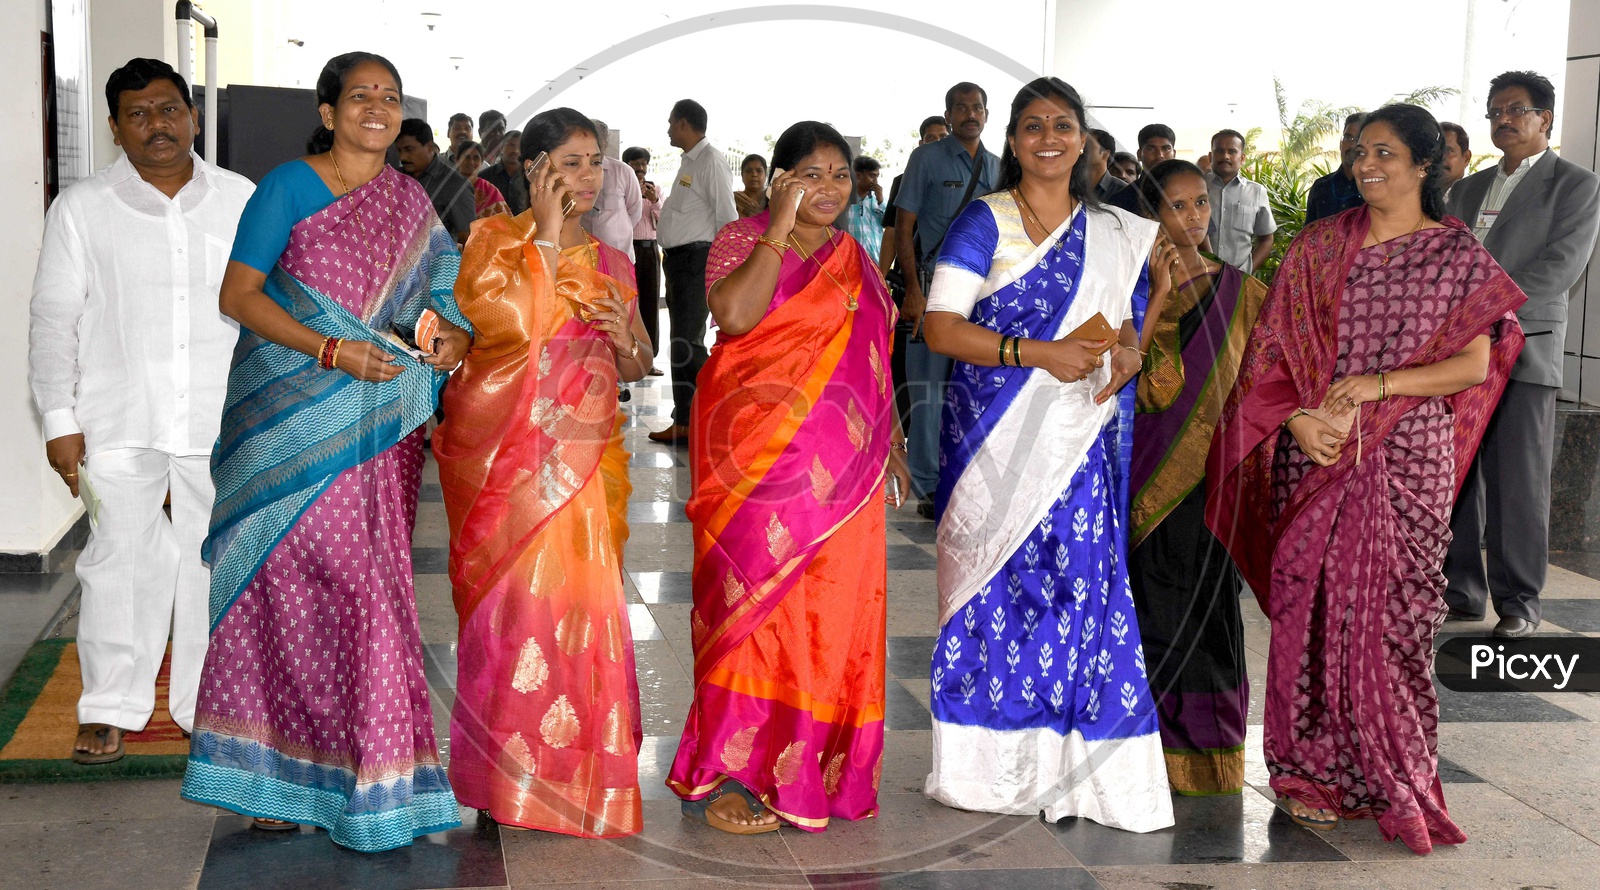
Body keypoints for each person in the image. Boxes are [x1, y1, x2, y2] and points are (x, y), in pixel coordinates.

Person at [1206, 104, 1526, 853]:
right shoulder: (1319, 248)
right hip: (1316, 455)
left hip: (1408, 451)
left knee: (1394, 621)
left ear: (1426, 165)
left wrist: (1377, 385)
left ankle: (1396, 775)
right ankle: (1305, 775)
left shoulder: (1456, 258)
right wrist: (1298, 423)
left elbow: (1476, 365)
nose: (1366, 164)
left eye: (1384, 152)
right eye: (1359, 152)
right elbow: (1270, 361)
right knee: (1306, 611)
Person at [179, 51, 473, 850]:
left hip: (378, 436)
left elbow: (444, 293)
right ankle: (276, 775)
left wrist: (448, 337)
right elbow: (237, 296)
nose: (376, 108)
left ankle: (370, 780)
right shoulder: (286, 186)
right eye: (359, 96)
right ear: (327, 110)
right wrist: (329, 351)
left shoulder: (411, 200)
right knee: (284, 589)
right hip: (285, 425)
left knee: (369, 595)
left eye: (390, 96)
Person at [921, 76, 1175, 833]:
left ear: (1085, 140)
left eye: (1062, 124)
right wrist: (1037, 352)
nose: (1048, 137)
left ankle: (1076, 764)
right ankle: (988, 770)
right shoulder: (983, 223)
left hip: (1081, 436)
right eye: (1032, 125)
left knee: (1079, 586)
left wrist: (1126, 353)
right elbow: (939, 326)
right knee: (996, 588)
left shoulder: (1116, 230)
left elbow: (1127, 328)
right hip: (995, 442)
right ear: (1013, 141)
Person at [668, 120, 910, 835]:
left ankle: (813, 766)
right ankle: (732, 774)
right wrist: (777, 222)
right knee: (751, 613)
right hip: (754, 467)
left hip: (844, 481)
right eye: (811, 173)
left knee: (830, 620)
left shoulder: (857, 256)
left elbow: (875, 352)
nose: (828, 188)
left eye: (840, 175)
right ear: (780, 179)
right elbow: (736, 315)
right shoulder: (742, 240)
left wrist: (890, 436)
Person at [28, 58, 254, 765]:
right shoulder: (82, 209)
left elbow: (267, 308)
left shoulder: (239, 198)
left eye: (168, 109)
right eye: (138, 113)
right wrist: (59, 419)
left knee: (209, 561)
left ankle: (202, 705)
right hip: (116, 415)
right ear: (115, 127)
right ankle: (108, 706)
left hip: (221, 417)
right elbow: (52, 319)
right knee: (119, 560)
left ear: (192, 115)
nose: (156, 124)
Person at [437, 107, 654, 838]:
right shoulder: (492, 240)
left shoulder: (615, 261)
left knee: (581, 609)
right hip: (505, 455)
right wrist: (551, 244)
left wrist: (626, 338)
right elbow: (505, 329)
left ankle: (580, 774)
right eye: (569, 162)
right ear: (533, 170)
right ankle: (503, 776)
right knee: (511, 611)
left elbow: (638, 364)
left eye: (596, 161)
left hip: (584, 458)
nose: (587, 176)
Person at [1127, 160, 1267, 795]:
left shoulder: (1242, 292)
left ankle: (1211, 757)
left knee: (1211, 610)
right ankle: (1143, 746)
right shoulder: (1128, 286)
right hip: (1145, 479)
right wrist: (1156, 294)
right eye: (1176, 206)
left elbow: (1266, 383)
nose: (1193, 218)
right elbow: (1150, 388)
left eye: (1200, 204)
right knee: (1153, 600)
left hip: (1217, 478)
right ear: (1150, 215)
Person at [1443, 71, 1600, 639]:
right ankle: (1461, 591)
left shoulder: (1575, 185)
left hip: (1523, 350)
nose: (1502, 120)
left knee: (1518, 482)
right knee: (1455, 475)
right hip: (1458, 357)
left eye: (1515, 109)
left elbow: (1559, 267)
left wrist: (1481, 310)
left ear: (1545, 119)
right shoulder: (1464, 190)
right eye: (1493, 111)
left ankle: (1520, 602)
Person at [894, 82, 1001, 518]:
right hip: (934, 290)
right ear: (949, 113)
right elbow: (904, 228)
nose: (969, 114)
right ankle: (928, 486)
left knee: (974, 390)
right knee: (927, 390)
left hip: (984, 295)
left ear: (987, 114)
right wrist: (914, 293)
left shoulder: (998, 166)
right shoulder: (927, 158)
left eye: (977, 107)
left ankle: (967, 479)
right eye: (961, 108)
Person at [649, 99, 737, 444]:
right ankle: (685, 421)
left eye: (671, 122)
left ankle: (715, 417)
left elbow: (726, 217)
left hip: (698, 261)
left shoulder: (711, 161)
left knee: (689, 343)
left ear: (685, 123)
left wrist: (722, 269)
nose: (668, 129)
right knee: (681, 343)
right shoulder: (690, 162)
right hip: (678, 262)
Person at [883, 115, 950, 433]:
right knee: (912, 364)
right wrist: (882, 277)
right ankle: (907, 432)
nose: (936, 142)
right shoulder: (904, 179)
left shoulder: (974, 173)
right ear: (921, 142)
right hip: (914, 281)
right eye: (930, 138)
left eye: (942, 137)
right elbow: (893, 232)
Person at [1205, 129, 1275, 273]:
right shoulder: (1196, 188)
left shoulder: (1256, 192)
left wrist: (1245, 273)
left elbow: (1266, 239)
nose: (1225, 156)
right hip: (1198, 277)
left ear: (1242, 158)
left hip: (1238, 279)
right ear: (1210, 156)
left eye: (1232, 151)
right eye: (1219, 151)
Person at [395, 117, 475, 243]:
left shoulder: (455, 185)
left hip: (436, 260)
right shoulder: (395, 178)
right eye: (399, 151)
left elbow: (469, 238)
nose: (403, 157)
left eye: (409, 150)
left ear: (429, 147)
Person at [580, 119, 644, 261]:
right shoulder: (577, 171)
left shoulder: (623, 171)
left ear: (605, 143)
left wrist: (616, 231)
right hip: (585, 253)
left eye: (597, 139)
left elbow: (634, 212)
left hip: (618, 253)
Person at [626, 146, 665, 374]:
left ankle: (650, 360)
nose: (640, 168)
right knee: (631, 303)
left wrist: (655, 201)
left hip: (650, 251)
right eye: (635, 163)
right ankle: (628, 356)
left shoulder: (656, 190)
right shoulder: (624, 190)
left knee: (650, 303)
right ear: (627, 166)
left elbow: (663, 221)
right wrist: (635, 197)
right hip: (628, 250)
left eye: (643, 164)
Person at [1305, 113, 1366, 223]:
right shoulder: (1321, 187)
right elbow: (1308, 233)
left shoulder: (1375, 188)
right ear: (1340, 144)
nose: (1353, 145)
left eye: (1359, 139)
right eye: (1348, 138)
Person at [1105, 123, 1175, 213]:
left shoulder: (1188, 189)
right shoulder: (1122, 199)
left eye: (1166, 149)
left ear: (1174, 153)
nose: (1159, 155)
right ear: (1139, 154)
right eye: (1151, 149)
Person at [452, 140, 510, 219]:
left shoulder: (491, 191)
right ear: (457, 160)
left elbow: (506, 222)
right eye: (467, 157)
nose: (471, 162)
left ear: (482, 162)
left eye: (476, 158)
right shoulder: (447, 188)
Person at [844, 155, 885, 262]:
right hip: (849, 260)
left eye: (877, 176)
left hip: (875, 261)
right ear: (858, 175)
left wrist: (881, 201)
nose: (875, 181)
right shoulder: (845, 200)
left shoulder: (879, 201)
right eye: (872, 176)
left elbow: (890, 225)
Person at [481, 128, 530, 215]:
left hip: (524, 227)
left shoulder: (530, 177)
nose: (515, 150)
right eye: (511, 145)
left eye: (519, 146)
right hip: (492, 227)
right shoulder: (485, 177)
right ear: (501, 147)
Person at [1087, 127, 1125, 200]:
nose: (1081, 149)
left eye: (1088, 146)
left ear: (1105, 154)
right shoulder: (1069, 183)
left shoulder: (1123, 191)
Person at [1439, 121, 1470, 197]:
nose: (1440, 157)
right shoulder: (1417, 199)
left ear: (1466, 158)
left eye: (1448, 151)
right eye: (1434, 150)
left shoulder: (1475, 197)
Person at [734, 153, 769, 218]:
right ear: (742, 175)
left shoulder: (771, 200)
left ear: (765, 175)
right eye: (748, 171)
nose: (754, 174)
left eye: (759, 171)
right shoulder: (735, 199)